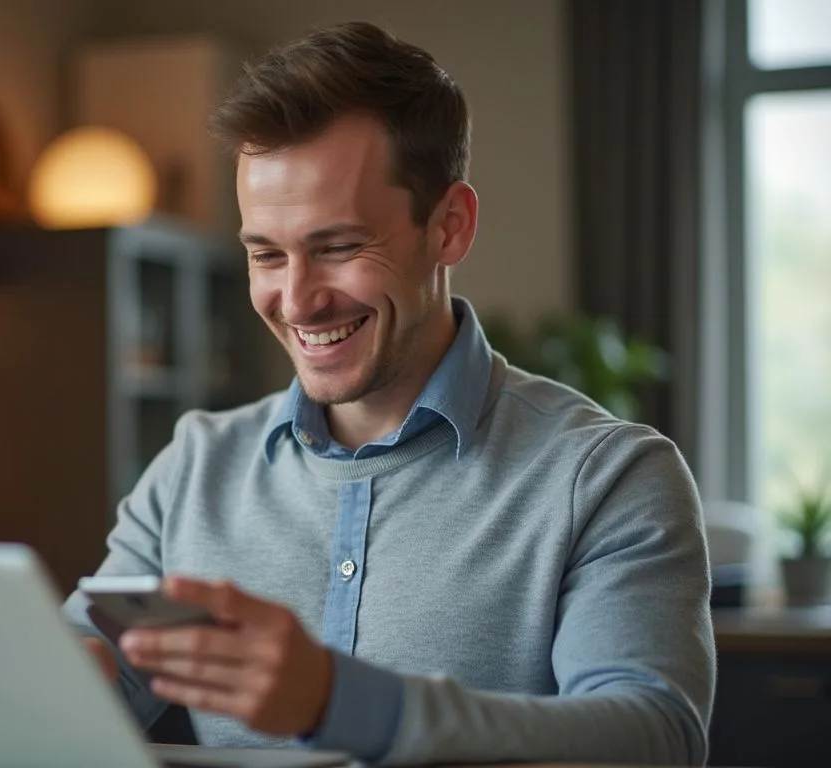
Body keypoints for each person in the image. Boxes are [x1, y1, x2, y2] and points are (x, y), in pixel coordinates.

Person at [62, 19, 715, 768]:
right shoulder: (194, 468)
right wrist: (51, 681)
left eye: (338, 247)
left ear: (450, 227)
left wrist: (341, 703)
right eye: (267, 255)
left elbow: (652, 739)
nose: (298, 301)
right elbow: (80, 682)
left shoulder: (608, 477)